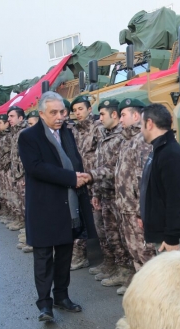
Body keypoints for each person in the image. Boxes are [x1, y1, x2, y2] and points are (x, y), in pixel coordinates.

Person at [18, 91, 96, 322]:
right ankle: (45, 305)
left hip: (68, 205)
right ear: (41, 114)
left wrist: (80, 178)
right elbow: (36, 168)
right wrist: (72, 178)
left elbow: (74, 162)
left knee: (64, 255)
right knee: (43, 257)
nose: (60, 116)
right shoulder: (29, 137)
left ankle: (62, 297)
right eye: (54, 112)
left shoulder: (67, 134)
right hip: (44, 207)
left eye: (62, 111)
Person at [84, 98, 133, 288]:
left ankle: (126, 272)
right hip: (104, 192)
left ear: (114, 114)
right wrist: (95, 192)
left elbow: (114, 167)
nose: (100, 118)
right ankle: (113, 265)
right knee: (107, 233)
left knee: (123, 236)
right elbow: (98, 163)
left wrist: (90, 176)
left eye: (102, 114)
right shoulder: (104, 134)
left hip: (118, 194)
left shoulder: (122, 137)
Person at [139, 103, 180, 252]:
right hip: (166, 234)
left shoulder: (170, 155)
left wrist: (171, 238)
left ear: (149, 123)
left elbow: (176, 200)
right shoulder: (160, 150)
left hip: (174, 239)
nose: (140, 130)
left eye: (141, 124)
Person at [114, 98, 155, 295]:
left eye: (123, 115)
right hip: (126, 207)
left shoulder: (143, 140)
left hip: (137, 211)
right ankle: (142, 292)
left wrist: (142, 213)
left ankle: (154, 295)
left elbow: (144, 179)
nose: (120, 119)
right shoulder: (127, 140)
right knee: (135, 253)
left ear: (136, 116)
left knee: (146, 254)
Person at [69, 95, 103, 271]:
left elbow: (102, 156)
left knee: (101, 224)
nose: (77, 113)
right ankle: (80, 255)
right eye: (75, 111)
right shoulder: (74, 130)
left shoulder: (98, 129)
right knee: (80, 218)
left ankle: (110, 262)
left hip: (95, 181)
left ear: (90, 109)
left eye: (80, 109)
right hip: (80, 182)